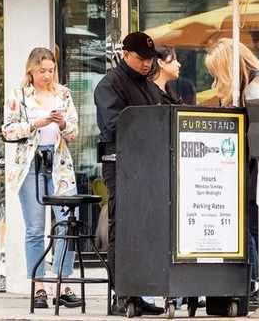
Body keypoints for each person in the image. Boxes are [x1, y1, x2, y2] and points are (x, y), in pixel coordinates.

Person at [203, 38, 259, 311]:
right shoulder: (255, 84)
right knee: (255, 225)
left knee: (255, 226)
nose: (215, 77)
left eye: (216, 71)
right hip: (256, 165)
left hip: (255, 166)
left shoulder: (254, 87)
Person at [1, 47, 83, 310]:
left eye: (50, 70)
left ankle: (63, 282)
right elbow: (7, 131)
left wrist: (60, 123)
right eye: (41, 71)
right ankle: (38, 286)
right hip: (31, 162)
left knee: (66, 223)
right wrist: (35, 123)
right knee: (35, 228)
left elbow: (74, 131)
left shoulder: (63, 93)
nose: (46, 75)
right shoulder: (20, 95)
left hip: (59, 164)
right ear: (31, 70)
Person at [94, 31, 165, 316]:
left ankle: (140, 291)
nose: (147, 64)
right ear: (125, 55)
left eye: (150, 59)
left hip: (149, 163)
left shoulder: (149, 86)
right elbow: (115, 124)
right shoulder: (110, 84)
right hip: (121, 163)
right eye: (141, 59)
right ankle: (121, 293)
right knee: (122, 227)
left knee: (146, 228)